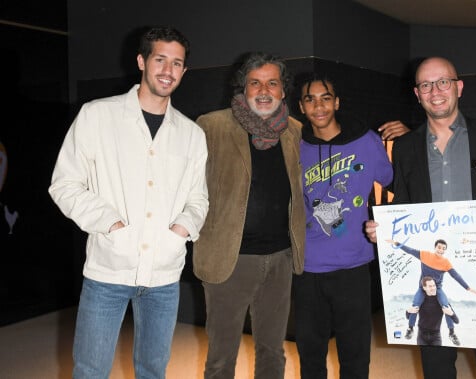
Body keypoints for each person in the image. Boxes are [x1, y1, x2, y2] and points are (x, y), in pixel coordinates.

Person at [48, 26, 209, 378]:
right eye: (160, 59)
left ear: (184, 71)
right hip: (108, 269)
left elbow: (199, 199)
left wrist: (180, 230)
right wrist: (111, 223)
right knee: (90, 370)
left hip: (164, 276)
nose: (168, 70)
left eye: (177, 63)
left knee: (153, 370)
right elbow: (64, 184)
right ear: (141, 61)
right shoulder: (97, 115)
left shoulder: (192, 134)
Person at [366, 56, 476, 378]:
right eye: (426, 84)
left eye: (443, 82)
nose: (435, 91)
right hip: (428, 278)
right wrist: (384, 230)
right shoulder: (406, 147)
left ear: (459, 87)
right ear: (417, 93)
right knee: (437, 366)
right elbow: (407, 207)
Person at [193, 52, 305, 379]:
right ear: (243, 88)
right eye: (255, 83)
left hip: (280, 259)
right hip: (231, 259)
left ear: (284, 90)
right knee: (221, 355)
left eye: (272, 82)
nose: (264, 90)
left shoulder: (295, 131)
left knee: (273, 351)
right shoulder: (211, 126)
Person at [293, 74, 393, 378]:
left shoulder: (366, 142)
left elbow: (399, 184)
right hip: (306, 268)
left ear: (336, 102)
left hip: (353, 265)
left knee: (355, 355)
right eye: (310, 99)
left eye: (325, 98)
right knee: (310, 356)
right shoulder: (293, 146)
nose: (318, 106)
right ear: (301, 106)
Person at [386, 238, 476, 345]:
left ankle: (452, 333)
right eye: (439, 247)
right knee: (415, 305)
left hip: (437, 288)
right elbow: (410, 250)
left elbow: (455, 275)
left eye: (443, 249)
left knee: (446, 306)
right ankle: (410, 328)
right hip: (423, 287)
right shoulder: (425, 255)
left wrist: (467, 287)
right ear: (435, 247)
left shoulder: (445, 262)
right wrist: (396, 243)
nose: (441, 250)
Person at [407, 276, 459, 346]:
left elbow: (457, 321)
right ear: (424, 288)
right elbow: (408, 317)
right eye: (430, 286)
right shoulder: (420, 301)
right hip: (421, 336)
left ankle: (451, 333)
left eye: (434, 285)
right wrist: (408, 310)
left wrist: (451, 313)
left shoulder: (442, 302)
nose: (433, 288)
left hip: (436, 336)